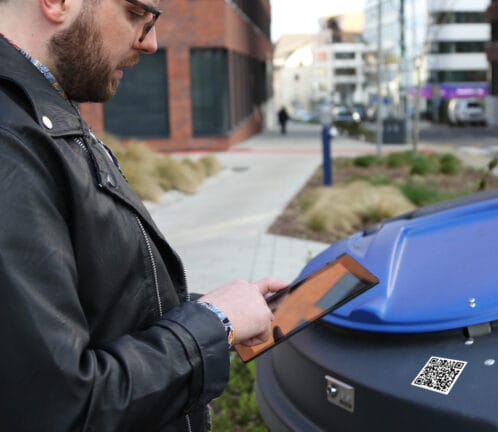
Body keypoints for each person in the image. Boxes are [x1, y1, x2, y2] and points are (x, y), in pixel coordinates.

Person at [0, 0, 287, 430]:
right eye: (138, 13)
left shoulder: (42, 113)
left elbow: (94, 313)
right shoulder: (12, 142)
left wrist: (217, 312)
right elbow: (62, 406)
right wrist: (213, 324)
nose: (151, 42)